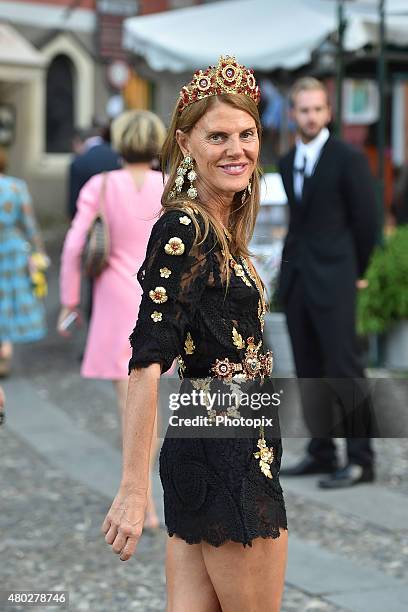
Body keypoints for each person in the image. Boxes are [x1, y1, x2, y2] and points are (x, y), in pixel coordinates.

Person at [102, 56, 288, 612]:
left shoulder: (219, 227)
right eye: (218, 137)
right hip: (226, 455)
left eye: (247, 134)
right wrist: (133, 490)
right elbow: (146, 360)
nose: (237, 149)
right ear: (186, 144)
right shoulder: (185, 227)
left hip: (217, 440)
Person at [58, 110, 166, 529]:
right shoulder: (167, 187)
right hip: (157, 297)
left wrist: (70, 300)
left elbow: (72, 246)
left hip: (114, 298)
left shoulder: (99, 185)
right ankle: (145, 495)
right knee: (152, 399)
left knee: (128, 402)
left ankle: (138, 496)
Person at [278, 77, 378, 489]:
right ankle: (321, 452)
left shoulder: (347, 158)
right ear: (293, 114)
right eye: (304, 110)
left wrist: (359, 272)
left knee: (344, 370)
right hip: (298, 278)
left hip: (337, 278)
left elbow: (367, 221)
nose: (311, 116)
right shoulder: (286, 162)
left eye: (318, 109)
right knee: (308, 370)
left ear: (328, 113)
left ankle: (360, 460)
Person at [0, 147, 47, 377]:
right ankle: (6, 348)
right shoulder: (16, 187)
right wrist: (39, 252)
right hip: (12, 248)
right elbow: (29, 225)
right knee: (10, 296)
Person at [67, 125, 121, 220]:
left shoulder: (78, 162)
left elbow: (73, 206)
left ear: (77, 142)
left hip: (89, 222)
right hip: (118, 219)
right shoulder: (119, 157)